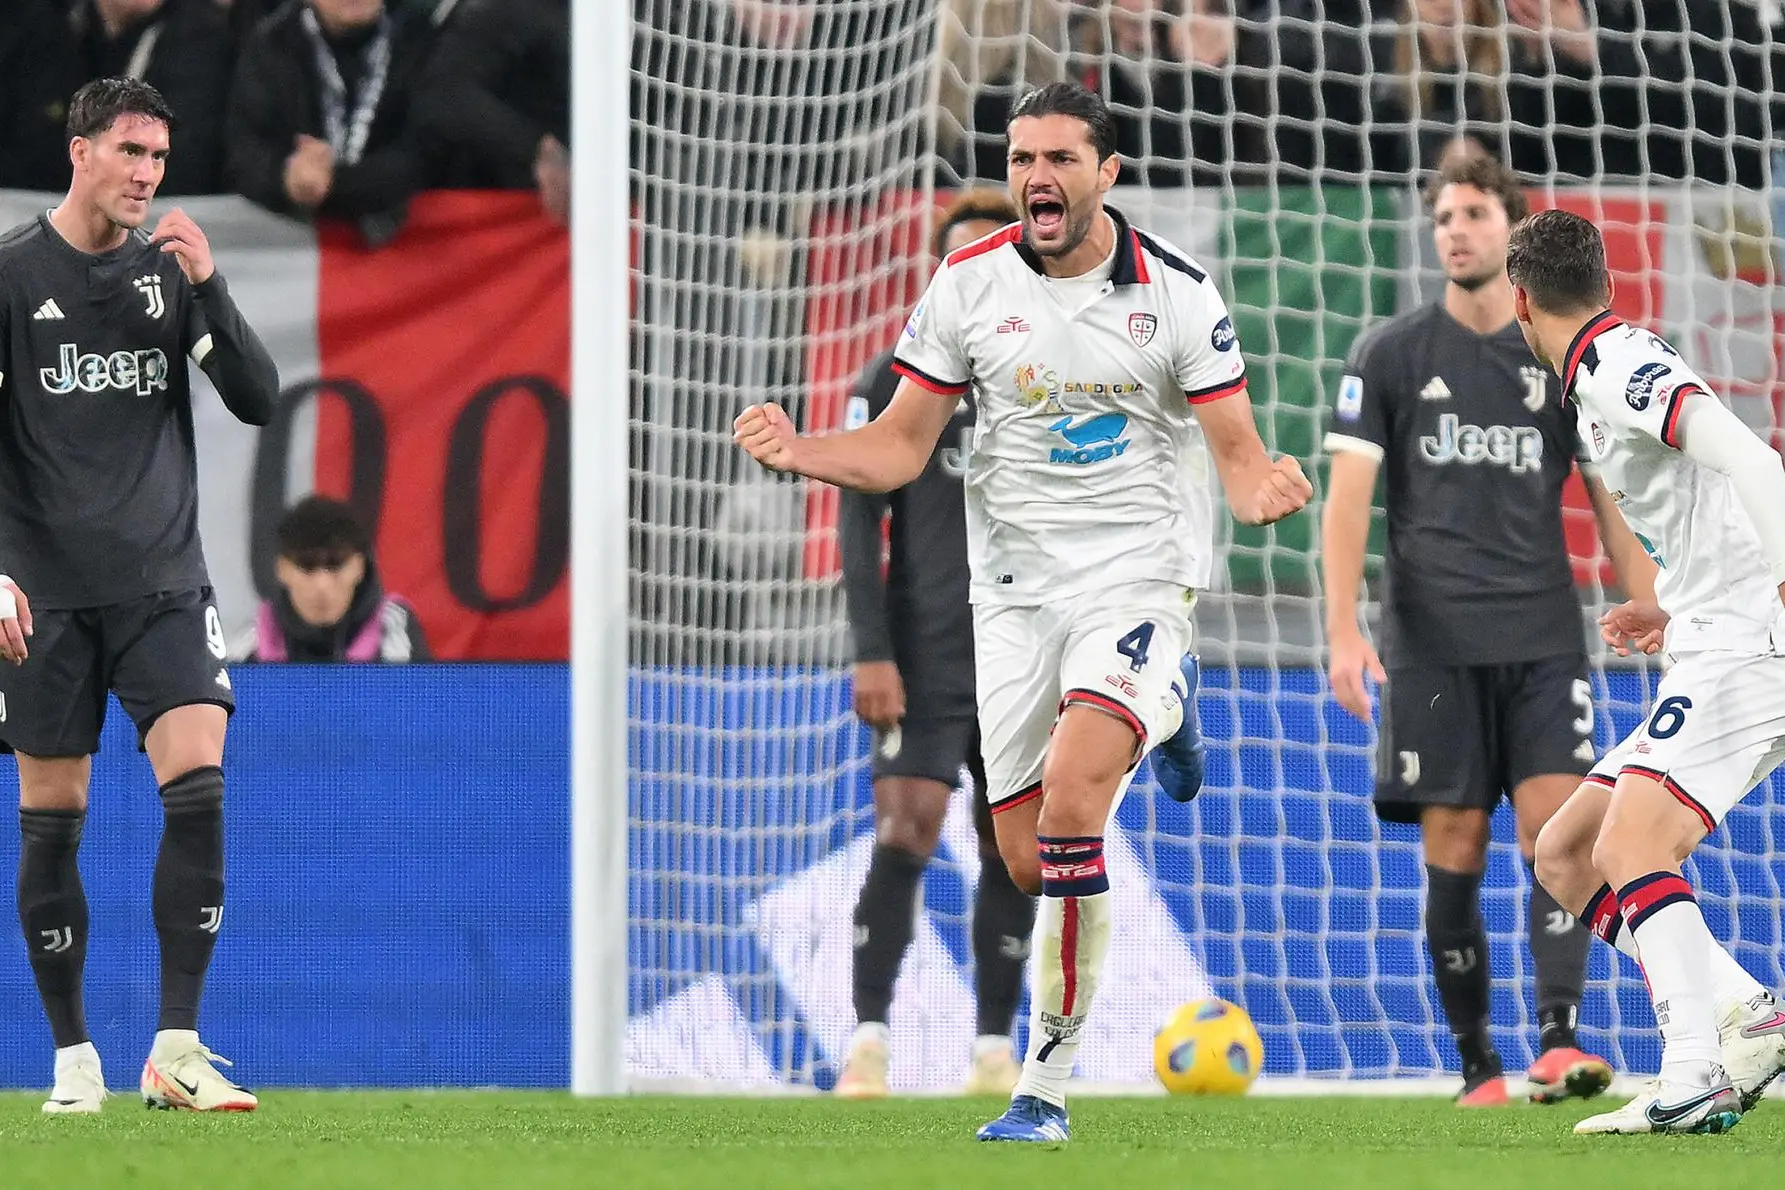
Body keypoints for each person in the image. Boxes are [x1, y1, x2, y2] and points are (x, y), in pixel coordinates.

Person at [735, 81, 1310, 1142]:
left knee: (1077, 802)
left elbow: (1236, 460)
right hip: (1009, 598)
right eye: (1024, 159)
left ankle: (1041, 1085)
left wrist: (1263, 489)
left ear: (1107, 174)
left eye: (1059, 159)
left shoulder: (1180, 293)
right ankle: (1172, 710)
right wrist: (803, 450)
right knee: (1023, 859)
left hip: (1134, 581)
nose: (1037, 178)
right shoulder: (965, 285)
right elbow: (901, 449)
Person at [1321, 147, 1623, 1107]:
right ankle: (1476, 1069)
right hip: (1432, 645)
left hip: (1542, 637)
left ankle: (1557, 1040)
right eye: (1443, 217)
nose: (1455, 230)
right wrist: (1340, 631)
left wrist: (1647, 595)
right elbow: (1347, 501)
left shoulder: (1560, 357)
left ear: (1513, 231)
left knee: (1556, 832)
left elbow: (1608, 494)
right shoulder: (1390, 354)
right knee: (1452, 839)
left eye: (1474, 215)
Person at [0, 77, 279, 1113]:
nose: (146, 174)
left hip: (164, 579)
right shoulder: (13, 276)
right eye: (130, 152)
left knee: (199, 777)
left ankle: (178, 1045)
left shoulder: (167, 279)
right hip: (45, 595)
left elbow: (255, 398)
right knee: (53, 812)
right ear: (80, 151)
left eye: (159, 158)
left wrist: (211, 287)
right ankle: (74, 1056)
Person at [1509, 208, 1785, 1135]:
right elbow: (1714, 499)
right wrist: (1669, 601)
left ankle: (1691, 1071)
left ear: (1519, 303)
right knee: (1565, 851)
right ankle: (1752, 1012)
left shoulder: (1620, 365)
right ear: (1607, 282)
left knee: (1631, 845)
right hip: (1713, 624)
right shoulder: (1598, 370)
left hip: (1751, 640)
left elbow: (1757, 461)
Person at [833, 188, 1035, 1100]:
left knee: (1014, 849)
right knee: (905, 827)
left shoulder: (1048, 383)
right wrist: (870, 650)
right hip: (923, 656)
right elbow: (853, 524)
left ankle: (994, 1049)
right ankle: (868, 1040)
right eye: (955, 260)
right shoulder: (891, 382)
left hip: (1026, 658)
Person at [230, 495, 430, 663]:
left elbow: (416, 706)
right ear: (282, 569)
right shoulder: (249, 645)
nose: (322, 585)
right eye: (306, 566)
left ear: (360, 566)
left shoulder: (393, 625)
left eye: (336, 565)